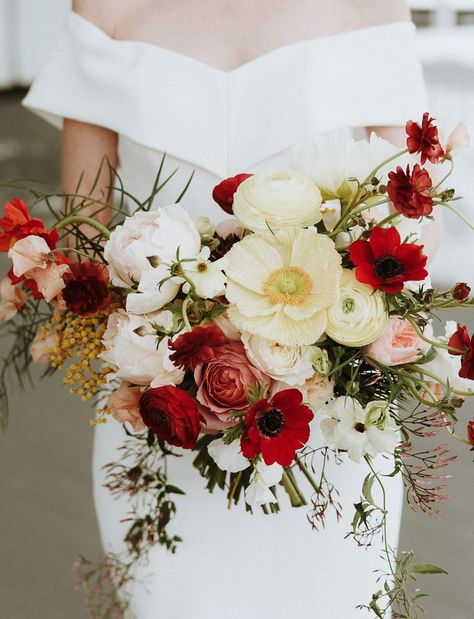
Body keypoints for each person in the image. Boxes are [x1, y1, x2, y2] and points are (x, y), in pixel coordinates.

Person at [23, 1, 428, 616]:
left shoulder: (368, 5)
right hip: (161, 410)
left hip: (328, 417)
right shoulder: (107, 6)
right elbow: (85, 243)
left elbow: (406, 226)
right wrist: (167, 333)